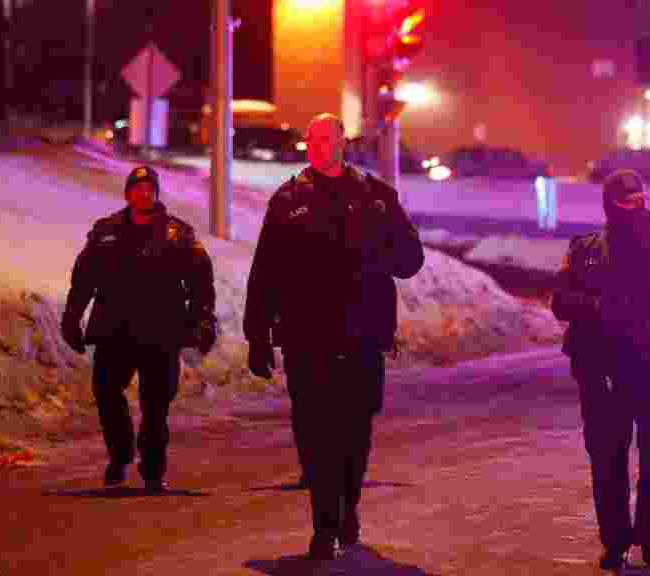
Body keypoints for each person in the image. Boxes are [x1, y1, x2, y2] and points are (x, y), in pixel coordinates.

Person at [243, 113, 424, 560]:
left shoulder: (375, 196)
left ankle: (347, 507)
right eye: (312, 139)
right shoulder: (289, 200)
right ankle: (325, 523)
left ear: (343, 143)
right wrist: (258, 335)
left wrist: (378, 255)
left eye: (326, 138)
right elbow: (266, 271)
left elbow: (410, 258)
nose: (318, 146)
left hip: (363, 333)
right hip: (307, 333)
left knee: (355, 428)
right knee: (313, 428)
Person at [550, 169, 650, 571]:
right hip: (604, 371)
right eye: (627, 202)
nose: (636, 207)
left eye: (641, 200)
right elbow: (560, 301)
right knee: (608, 461)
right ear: (610, 204)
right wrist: (599, 307)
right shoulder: (585, 249)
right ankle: (614, 542)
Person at [60, 165, 217, 492]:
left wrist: (203, 319)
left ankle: (153, 469)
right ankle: (120, 455)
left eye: (149, 189)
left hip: (161, 331)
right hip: (114, 330)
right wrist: (72, 316)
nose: (144, 194)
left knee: (156, 404)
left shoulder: (178, 235)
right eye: (138, 188)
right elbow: (84, 278)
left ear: (156, 194)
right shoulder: (106, 232)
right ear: (127, 193)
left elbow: (201, 282)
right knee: (106, 391)